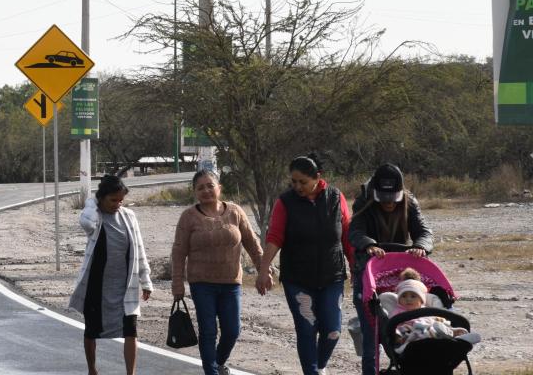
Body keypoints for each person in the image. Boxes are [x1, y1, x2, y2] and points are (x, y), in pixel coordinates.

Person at [257, 154, 355, 375]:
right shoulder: (285, 202)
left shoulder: (335, 197)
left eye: (303, 181)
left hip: (332, 275)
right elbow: (274, 238)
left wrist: (355, 266)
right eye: (294, 182)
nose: (297, 186)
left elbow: (347, 235)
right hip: (298, 278)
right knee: (307, 329)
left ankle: (319, 367)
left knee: (332, 331)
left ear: (317, 178)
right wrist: (264, 270)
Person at [171, 169, 266, 375]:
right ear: (195, 192)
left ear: (219, 188)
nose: (206, 191)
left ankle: (217, 363)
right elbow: (178, 252)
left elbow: (251, 242)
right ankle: (212, 372)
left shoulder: (235, 211)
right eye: (200, 187)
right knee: (208, 331)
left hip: (231, 282)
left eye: (210, 186)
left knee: (232, 331)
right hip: (201, 283)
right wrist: (177, 282)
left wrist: (263, 269)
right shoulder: (188, 217)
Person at [348, 163, 434, 374]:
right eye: (383, 199)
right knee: (371, 333)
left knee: (410, 327)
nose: (388, 204)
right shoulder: (363, 202)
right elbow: (355, 231)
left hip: (400, 274)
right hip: (369, 273)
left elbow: (424, 231)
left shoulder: (410, 201)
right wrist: (369, 244)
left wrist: (420, 247)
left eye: (393, 199)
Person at [69, 175, 153, 375]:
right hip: (97, 284)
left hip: (125, 285)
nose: (117, 204)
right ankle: (92, 369)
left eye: (120, 200)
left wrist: (146, 280)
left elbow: (139, 249)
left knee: (131, 330)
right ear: (102, 198)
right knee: (92, 330)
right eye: (112, 200)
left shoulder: (129, 216)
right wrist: (92, 202)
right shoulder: (95, 216)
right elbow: (86, 223)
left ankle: (130, 373)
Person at [381, 269, 480, 351]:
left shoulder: (427, 310)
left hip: (431, 332)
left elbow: (437, 319)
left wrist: (441, 321)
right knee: (411, 330)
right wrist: (397, 337)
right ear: (399, 299)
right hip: (412, 336)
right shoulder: (397, 311)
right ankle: (451, 336)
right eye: (404, 296)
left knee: (436, 325)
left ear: (421, 300)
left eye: (413, 296)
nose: (408, 299)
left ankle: (457, 337)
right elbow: (393, 326)